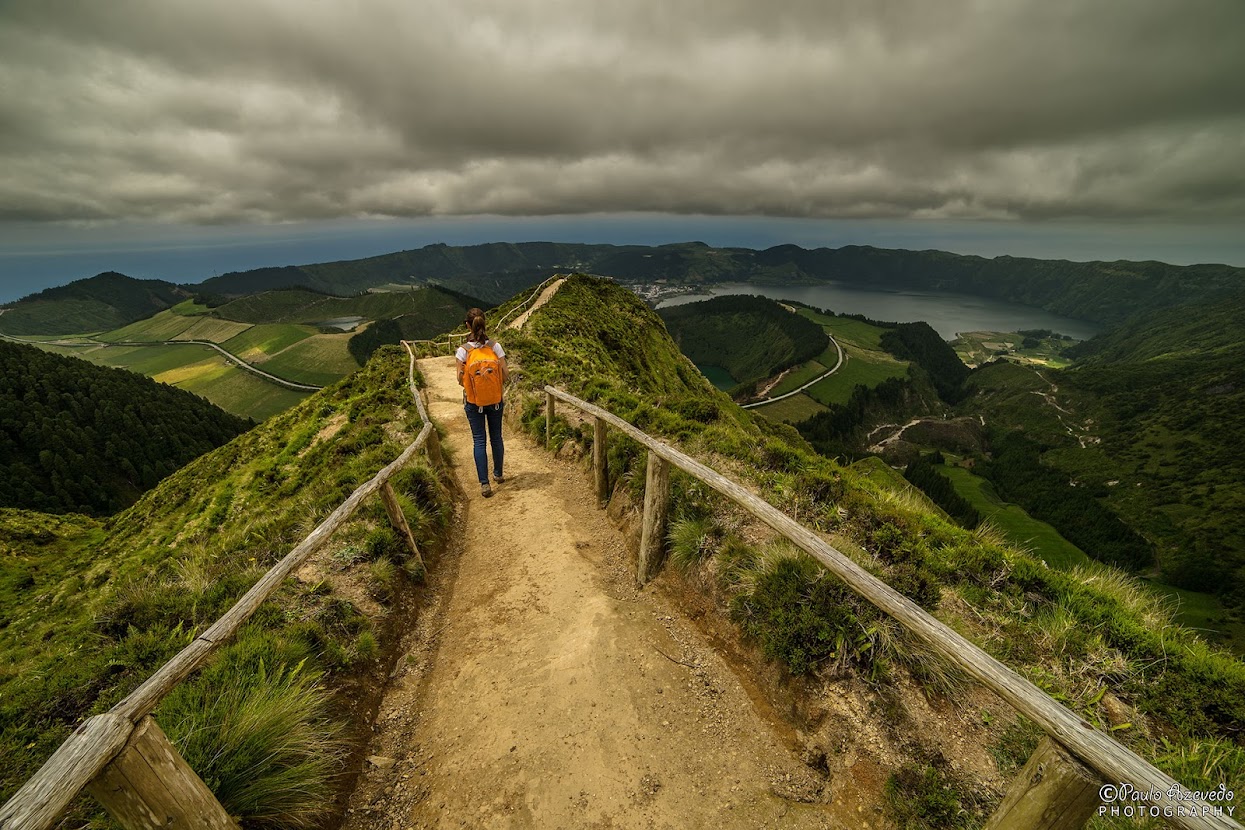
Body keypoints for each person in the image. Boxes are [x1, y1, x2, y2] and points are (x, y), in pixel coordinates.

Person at [456, 308, 508, 497]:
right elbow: (505, 374)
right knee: (496, 437)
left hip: (473, 402)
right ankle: (499, 474)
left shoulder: (463, 351)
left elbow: (459, 379)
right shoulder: (495, 347)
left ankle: (485, 484)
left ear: (468, 325)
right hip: (495, 400)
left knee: (479, 440)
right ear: (484, 323)